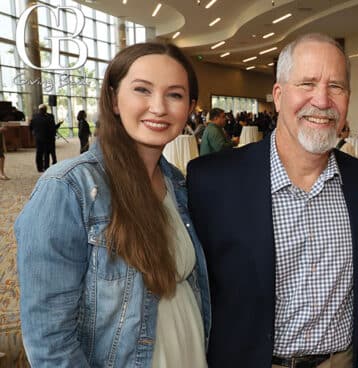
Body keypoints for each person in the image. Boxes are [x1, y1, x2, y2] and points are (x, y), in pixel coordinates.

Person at [15, 42, 211, 367]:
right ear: (114, 99)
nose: (159, 107)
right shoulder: (67, 189)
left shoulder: (178, 183)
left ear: (190, 107)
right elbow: (49, 340)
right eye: (142, 90)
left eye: (174, 95)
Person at [187, 33, 358, 368]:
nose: (322, 100)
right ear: (278, 94)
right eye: (307, 83)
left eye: (336, 86)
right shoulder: (213, 181)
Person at [29, 104, 56, 172]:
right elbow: (52, 128)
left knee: (39, 153)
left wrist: (34, 133)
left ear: (39, 109)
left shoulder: (34, 117)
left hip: (38, 138)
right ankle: (46, 167)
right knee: (46, 153)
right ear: (45, 110)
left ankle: (39, 168)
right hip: (47, 138)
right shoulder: (49, 117)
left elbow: (30, 127)